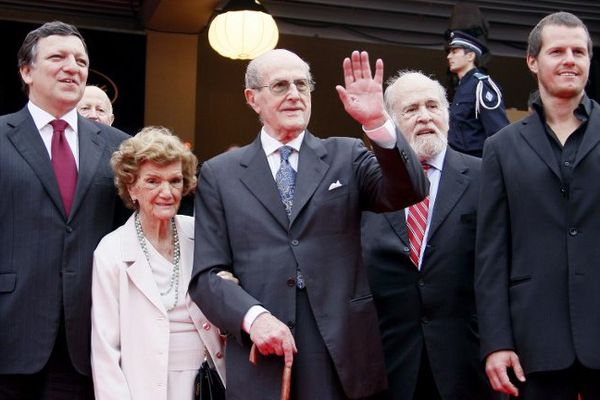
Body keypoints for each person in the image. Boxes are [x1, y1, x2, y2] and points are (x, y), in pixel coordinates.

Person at [188, 49, 429, 399]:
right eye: (281, 85)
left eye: (302, 84)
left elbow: (408, 190)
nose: (294, 94)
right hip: (263, 352)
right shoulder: (219, 174)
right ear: (252, 98)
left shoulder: (345, 155)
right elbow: (207, 276)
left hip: (341, 351)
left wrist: (378, 123)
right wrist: (253, 318)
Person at [0, 21, 129, 398]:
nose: (72, 67)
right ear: (26, 71)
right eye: (57, 57)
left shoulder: (120, 148)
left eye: (80, 60)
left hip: (86, 338)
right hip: (8, 333)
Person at [476, 11, 600, 399]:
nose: (570, 60)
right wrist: (496, 342)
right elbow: (491, 253)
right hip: (534, 343)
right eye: (557, 51)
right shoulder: (501, 146)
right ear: (533, 61)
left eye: (579, 51)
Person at [362, 71, 497, 400]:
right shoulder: (366, 184)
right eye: (410, 109)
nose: (425, 116)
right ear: (390, 122)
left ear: (447, 115)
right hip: (388, 366)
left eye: (433, 106)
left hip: (468, 363)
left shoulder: (486, 177)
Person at [91, 126, 235, 399]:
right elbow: (105, 351)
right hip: (145, 384)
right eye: (153, 181)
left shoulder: (201, 233)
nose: (167, 192)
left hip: (208, 381)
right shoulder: (111, 251)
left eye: (175, 180)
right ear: (131, 186)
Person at [446, 30, 509, 157]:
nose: (449, 56)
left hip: (476, 163)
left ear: (470, 56)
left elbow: (497, 131)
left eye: (454, 52)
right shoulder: (461, 86)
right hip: (458, 161)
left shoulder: (481, 84)